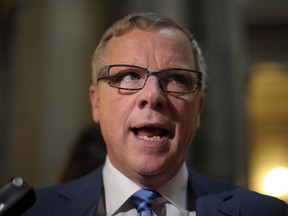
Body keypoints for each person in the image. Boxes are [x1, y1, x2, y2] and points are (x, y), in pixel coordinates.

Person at [24, 12, 287, 216]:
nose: (152, 96)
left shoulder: (265, 213)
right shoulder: (31, 212)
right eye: (128, 76)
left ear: (198, 109)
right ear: (96, 103)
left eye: (176, 79)